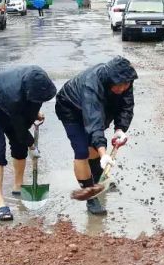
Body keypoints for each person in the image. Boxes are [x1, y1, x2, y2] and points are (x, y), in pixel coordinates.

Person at [55, 56, 137, 215]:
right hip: (70, 108)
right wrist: (103, 154)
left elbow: (126, 106)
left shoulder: (125, 80)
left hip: (99, 107)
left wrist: (120, 129)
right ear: (109, 80)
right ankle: (90, 196)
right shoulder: (91, 85)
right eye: (118, 86)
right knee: (82, 151)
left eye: (125, 85)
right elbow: (94, 123)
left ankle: (98, 182)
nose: (122, 89)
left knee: (93, 147)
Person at [0, 65, 57, 221]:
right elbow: (19, 127)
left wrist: (34, 113)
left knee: (19, 147)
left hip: (13, 104)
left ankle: (18, 186)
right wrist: (32, 145)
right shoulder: (12, 96)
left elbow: (33, 103)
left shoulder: (38, 80)